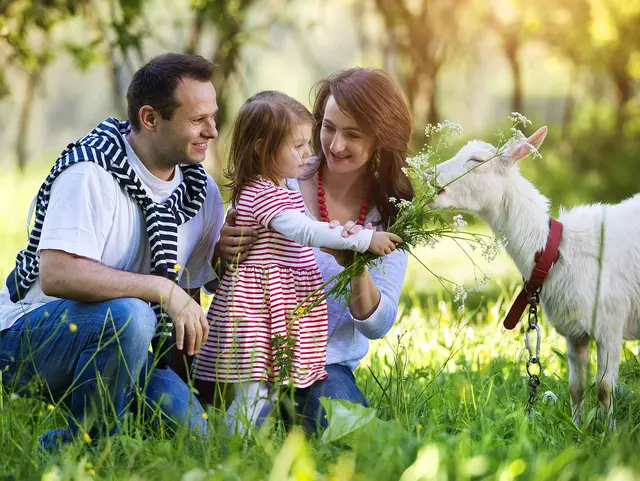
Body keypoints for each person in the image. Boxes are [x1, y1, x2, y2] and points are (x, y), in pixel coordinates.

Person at [0, 53, 224, 448]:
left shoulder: (199, 191)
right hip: (27, 337)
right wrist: (160, 289)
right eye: (197, 120)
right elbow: (57, 275)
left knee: (200, 440)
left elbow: (187, 304)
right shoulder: (90, 171)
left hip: (129, 349)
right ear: (150, 118)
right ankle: (81, 447)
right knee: (132, 313)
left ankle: (114, 418)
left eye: (213, 117)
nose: (212, 131)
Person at [213, 68, 414, 432]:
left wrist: (357, 268)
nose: (334, 145)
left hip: (321, 365)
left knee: (353, 438)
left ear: (382, 140)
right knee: (239, 427)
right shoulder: (280, 171)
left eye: (353, 134)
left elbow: (379, 324)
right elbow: (221, 281)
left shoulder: (392, 210)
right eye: (328, 127)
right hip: (254, 352)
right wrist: (223, 254)